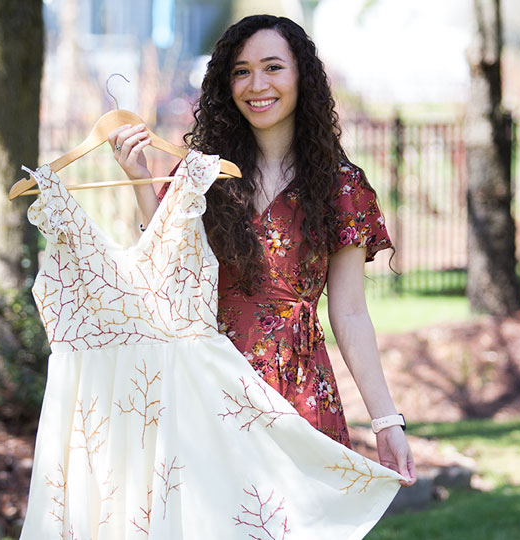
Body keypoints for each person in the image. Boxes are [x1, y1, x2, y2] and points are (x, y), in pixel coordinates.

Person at [109, 14, 416, 486]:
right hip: (211, 389)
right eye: (241, 70)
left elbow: (351, 313)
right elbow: (164, 279)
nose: (257, 84)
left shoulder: (342, 187)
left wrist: (385, 420)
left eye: (273, 67)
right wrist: (140, 183)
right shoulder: (200, 177)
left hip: (301, 396)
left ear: (301, 77)